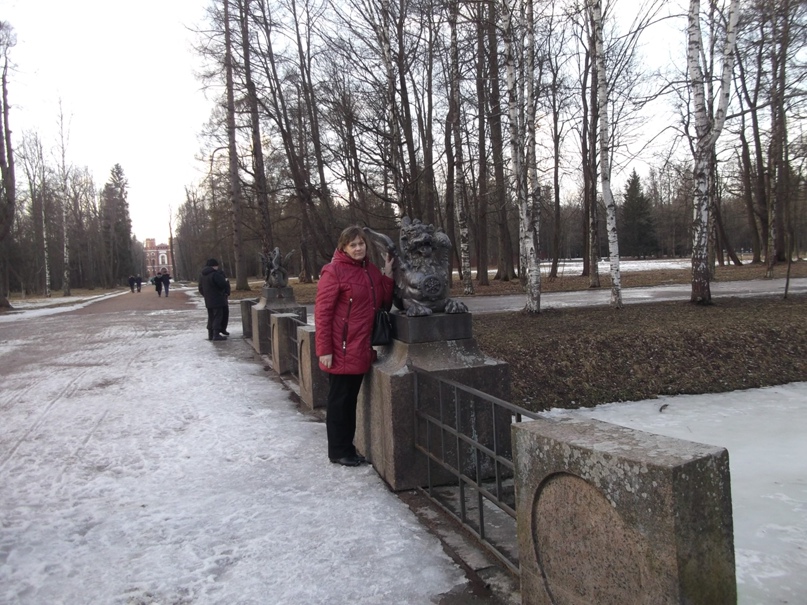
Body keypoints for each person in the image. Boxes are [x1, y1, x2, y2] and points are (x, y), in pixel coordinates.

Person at [315, 226, 394, 466]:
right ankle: (339, 451)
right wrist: (324, 350)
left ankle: (347, 448)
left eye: (361, 243)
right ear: (343, 248)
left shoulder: (370, 270)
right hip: (341, 348)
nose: (359, 248)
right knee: (339, 402)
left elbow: (384, 302)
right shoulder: (333, 271)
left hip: (361, 347)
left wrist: (388, 276)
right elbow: (323, 313)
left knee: (349, 401)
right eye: (353, 245)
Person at [198, 259, 229, 341]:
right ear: (214, 266)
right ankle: (216, 334)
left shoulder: (203, 275)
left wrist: (206, 295)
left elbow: (200, 288)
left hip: (208, 300)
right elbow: (223, 284)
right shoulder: (215, 274)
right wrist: (225, 282)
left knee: (211, 317)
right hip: (218, 299)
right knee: (218, 316)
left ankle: (210, 334)